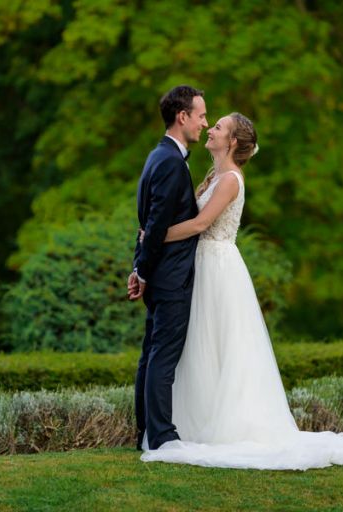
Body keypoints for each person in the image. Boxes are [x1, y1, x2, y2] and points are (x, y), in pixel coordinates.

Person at [137, 112, 343, 470]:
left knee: (222, 345)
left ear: (231, 142)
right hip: (202, 266)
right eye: (210, 123)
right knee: (201, 348)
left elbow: (200, 223)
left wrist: (153, 236)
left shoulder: (230, 179)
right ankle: (196, 421)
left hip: (219, 268)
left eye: (218, 127)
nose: (210, 128)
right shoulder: (213, 175)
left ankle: (226, 427)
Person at [127, 85, 208, 451]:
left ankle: (145, 431)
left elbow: (144, 224)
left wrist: (139, 269)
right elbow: (156, 223)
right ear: (183, 116)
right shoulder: (172, 163)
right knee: (163, 357)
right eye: (201, 115)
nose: (205, 123)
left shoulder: (155, 156)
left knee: (151, 354)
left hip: (156, 274)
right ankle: (160, 436)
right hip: (171, 277)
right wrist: (142, 270)